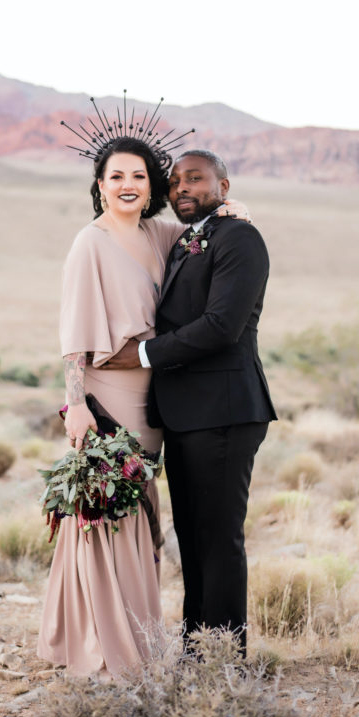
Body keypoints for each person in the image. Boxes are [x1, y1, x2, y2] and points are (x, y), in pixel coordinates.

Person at [37, 131, 250, 677]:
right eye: (116, 177)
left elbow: (209, 224)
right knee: (106, 512)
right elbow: (73, 330)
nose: (128, 186)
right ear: (100, 186)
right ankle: (103, 647)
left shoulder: (163, 234)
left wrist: (232, 205)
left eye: (138, 176)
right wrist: (75, 403)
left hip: (155, 398)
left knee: (139, 517)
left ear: (150, 184)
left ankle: (139, 639)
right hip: (107, 393)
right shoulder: (92, 241)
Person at [104, 149, 277, 654]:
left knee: (219, 539)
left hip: (224, 411)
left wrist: (140, 354)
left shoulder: (240, 238)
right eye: (176, 180)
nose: (183, 187)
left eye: (196, 179)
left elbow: (223, 327)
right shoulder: (185, 240)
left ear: (224, 187)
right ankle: (198, 648)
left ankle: (225, 659)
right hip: (185, 415)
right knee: (195, 539)